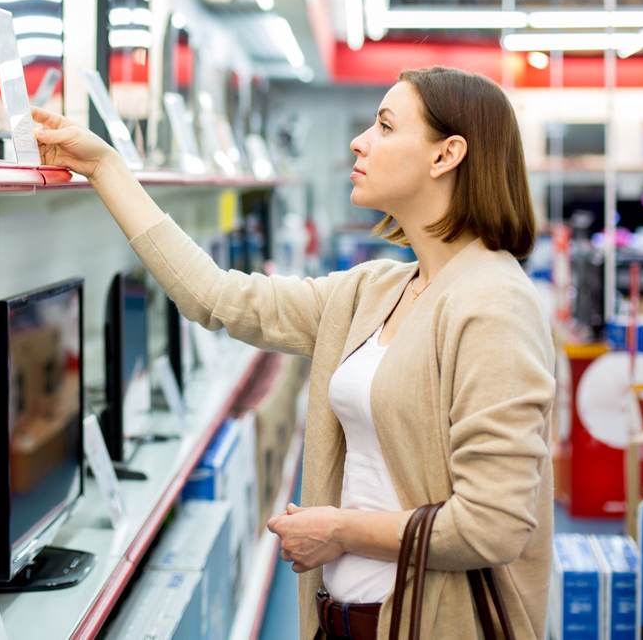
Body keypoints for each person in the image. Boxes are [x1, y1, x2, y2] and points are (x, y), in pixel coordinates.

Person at [32, 65, 554, 640]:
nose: (359, 141)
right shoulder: (374, 290)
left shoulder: (494, 305)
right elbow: (219, 297)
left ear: (445, 155)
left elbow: (493, 526)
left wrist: (341, 531)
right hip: (344, 620)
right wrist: (106, 169)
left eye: (384, 126)